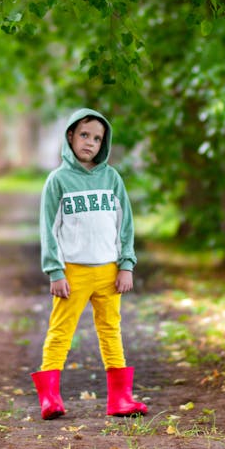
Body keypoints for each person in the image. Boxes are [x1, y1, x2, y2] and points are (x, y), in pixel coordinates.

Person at [31, 107, 148, 420]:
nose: (90, 143)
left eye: (97, 138)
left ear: (103, 143)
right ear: (70, 136)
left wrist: (126, 264)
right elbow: (49, 229)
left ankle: (120, 399)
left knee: (111, 331)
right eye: (84, 135)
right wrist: (55, 271)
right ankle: (50, 398)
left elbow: (125, 224)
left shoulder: (111, 178)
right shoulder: (58, 181)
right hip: (73, 272)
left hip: (109, 271)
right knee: (60, 331)